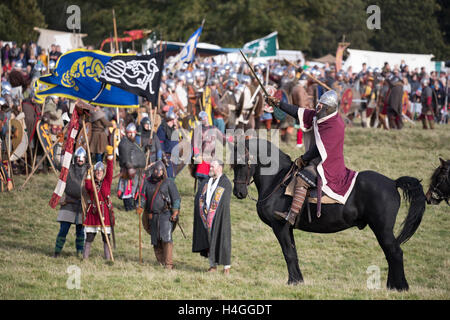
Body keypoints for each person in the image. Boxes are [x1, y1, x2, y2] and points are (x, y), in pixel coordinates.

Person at [266, 90, 358, 225]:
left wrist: (304, 158)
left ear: (328, 108)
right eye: (319, 103)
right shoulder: (322, 115)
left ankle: (292, 215)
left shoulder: (335, 125)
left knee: (302, 178)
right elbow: (299, 112)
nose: (318, 106)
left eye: (321, 105)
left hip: (328, 163)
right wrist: (279, 104)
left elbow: (319, 149)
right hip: (318, 158)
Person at [193, 159, 232, 275]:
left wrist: (214, 214)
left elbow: (224, 202)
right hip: (206, 218)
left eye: (212, 167)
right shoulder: (207, 181)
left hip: (220, 218)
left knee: (223, 240)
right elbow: (199, 197)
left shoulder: (225, 183)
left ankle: (226, 267)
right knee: (210, 242)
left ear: (220, 168)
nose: (210, 169)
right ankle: (212, 265)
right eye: (210, 167)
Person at [141, 161, 181, 269]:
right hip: (152, 215)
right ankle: (161, 262)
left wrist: (175, 212)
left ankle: (168, 264)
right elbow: (143, 197)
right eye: (156, 170)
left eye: (160, 170)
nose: (158, 172)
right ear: (153, 171)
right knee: (155, 240)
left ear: (163, 171)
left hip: (165, 214)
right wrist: (140, 206)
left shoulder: (168, 182)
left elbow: (176, 199)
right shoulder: (147, 182)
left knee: (167, 238)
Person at [53, 147, 88, 257]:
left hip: (82, 205)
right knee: (63, 230)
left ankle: (79, 252)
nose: (80, 160)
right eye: (78, 158)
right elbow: (57, 163)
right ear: (75, 158)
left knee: (81, 232)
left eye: (82, 159)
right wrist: (59, 147)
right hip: (68, 203)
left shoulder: (89, 170)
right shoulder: (68, 168)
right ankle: (57, 252)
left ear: (86, 159)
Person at [82, 145, 115, 260]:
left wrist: (110, 156)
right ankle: (85, 259)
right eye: (97, 171)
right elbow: (88, 187)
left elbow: (110, 170)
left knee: (106, 237)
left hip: (105, 211)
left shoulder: (107, 181)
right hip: (94, 211)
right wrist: (88, 174)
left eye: (100, 171)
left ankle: (108, 259)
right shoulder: (92, 183)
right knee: (90, 236)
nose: (99, 173)